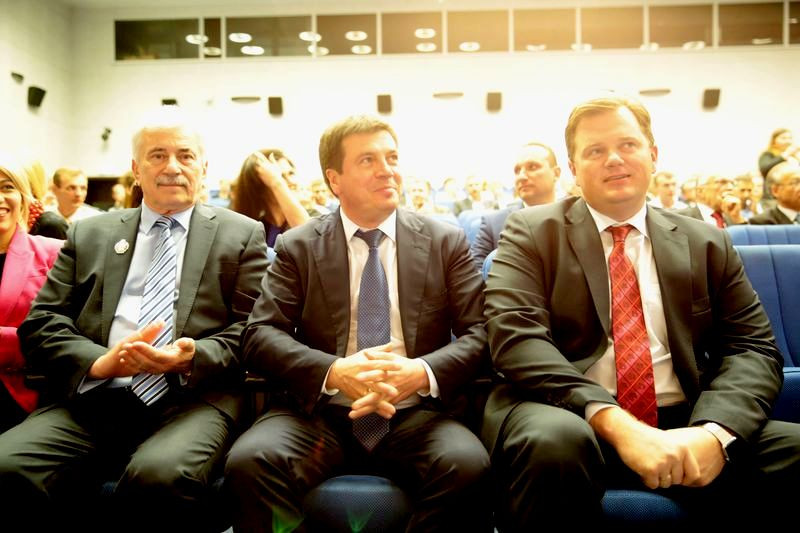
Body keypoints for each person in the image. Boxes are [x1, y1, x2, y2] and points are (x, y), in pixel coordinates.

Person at [482, 94, 800, 529]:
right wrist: (618, 424)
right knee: (554, 443)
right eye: (595, 150)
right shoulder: (532, 232)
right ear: (573, 169)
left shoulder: (705, 241)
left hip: (685, 418)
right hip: (573, 412)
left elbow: (752, 348)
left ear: (653, 155)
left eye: (627, 145)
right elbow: (516, 339)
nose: (614, 159)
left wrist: (713, 433)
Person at [0, 107, 268, 531]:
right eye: (157, 155)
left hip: (193, 399)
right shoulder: (90, 234)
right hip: (94, 397)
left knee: (158, 478)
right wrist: (99, 361)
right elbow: (42, 321)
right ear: (135, 170)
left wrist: (192, 355)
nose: (172, 167)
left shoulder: (241, 235)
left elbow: (254, 329)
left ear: (204, 168)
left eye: (185, 155)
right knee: (6, 464)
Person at [225, 115, 491, 533]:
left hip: (415, 412)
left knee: (467, 465)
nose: (387, 170)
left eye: (392, 157)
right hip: (321, 413)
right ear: (335, 180)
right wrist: (334, 371)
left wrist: (421, 372)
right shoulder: (299, 246)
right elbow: (260, 335)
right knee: (249, 462)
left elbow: (481, 333)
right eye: (368, 160)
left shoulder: (444, 241)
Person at [0, 154, 63, 433]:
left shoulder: (55, 254)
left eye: (7, 187)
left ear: (24, 198)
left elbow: (67, 337)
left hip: (28, 399)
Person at [470, 142, 560, 270]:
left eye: (532, 167)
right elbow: (476, 275)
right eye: (517, 170)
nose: (521, 176)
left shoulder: (579, 216)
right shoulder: (493, 224)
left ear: (556, 173)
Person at [230, 148, 309, 247]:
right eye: (281, 176)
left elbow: (309, 237)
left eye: (291, 173)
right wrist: (276, 183)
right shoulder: (255, 229)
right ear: (259, 188)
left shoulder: (314, 216)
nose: (293, 182)